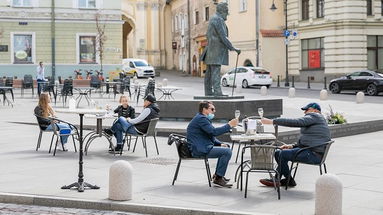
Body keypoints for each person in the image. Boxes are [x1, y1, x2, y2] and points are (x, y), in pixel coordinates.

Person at [259, 102, 331, 187]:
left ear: (315, 110)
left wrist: (273, 121)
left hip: (313, 154)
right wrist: (292, 146)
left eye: (306, 110)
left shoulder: (316, 116)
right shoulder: (317, 120)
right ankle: (288, 180)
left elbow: (296, 122)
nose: (304, 112)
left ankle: (279, 179)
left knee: (282, 154)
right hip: (311, 151)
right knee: (278, 152)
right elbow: (308, 140)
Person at [186, 101, 238, 188]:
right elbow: (214, 132)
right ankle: (218, 178)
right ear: (204, 109)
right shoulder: (201, 119)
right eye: (212, 109)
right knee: (227, 152)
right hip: (200, 150)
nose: (214, 111)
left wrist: (220, 144)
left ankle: (218, 175)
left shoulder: (202, 118)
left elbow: (210, 135)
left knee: (226, 148)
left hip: (202, 147)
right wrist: (229, 125)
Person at [201, 2, 241, 96]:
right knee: (215, 72)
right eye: (227, 12)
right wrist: (233, 48)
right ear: (222, 11)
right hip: (215, 51)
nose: (227, 14)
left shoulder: (213, 18)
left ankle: (208, 92)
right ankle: (217, 92)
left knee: (209, 73)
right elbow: (223, 36)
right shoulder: (218, 19)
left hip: (211, 50)